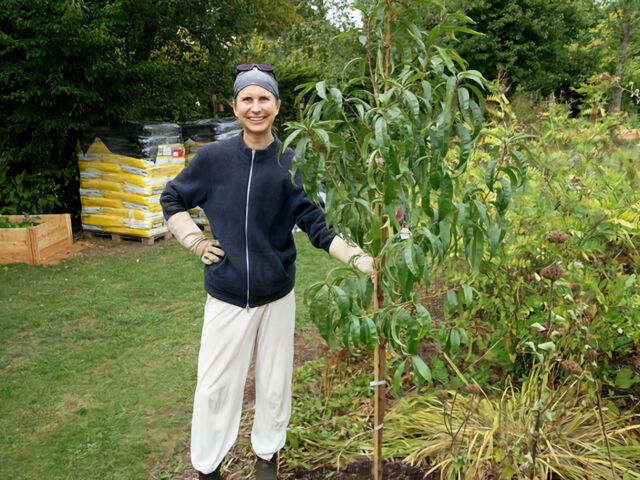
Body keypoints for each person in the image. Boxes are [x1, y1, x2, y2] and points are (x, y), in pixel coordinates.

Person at [160, 63, 373, 480]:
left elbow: (318, 225)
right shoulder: (214, 159)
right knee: (215, 387)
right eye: (247, 99)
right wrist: (195, 240)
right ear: (236, 105)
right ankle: (208, 468)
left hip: (277, 295)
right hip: (226, 294)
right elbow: (172, 197)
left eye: (264, 99)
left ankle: (266, 459)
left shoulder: (292, 163)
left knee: (275, 385)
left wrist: (358, 259)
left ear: (276, 106)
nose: (255, 107)